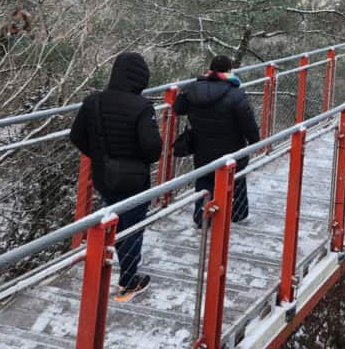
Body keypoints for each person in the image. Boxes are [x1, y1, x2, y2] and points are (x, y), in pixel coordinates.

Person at [69, 51, 162, 301]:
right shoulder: (142, 107)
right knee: (132, 227)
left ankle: (109, 266)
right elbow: (153, 150)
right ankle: (129, 280)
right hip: (134, 178)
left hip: (104, 175)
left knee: (114, 218)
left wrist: (99, 155)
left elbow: (76, 136)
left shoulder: (93, 101)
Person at [174, 55, 260, 227]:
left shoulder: (193, 89)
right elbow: (248, 123)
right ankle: (238, 214)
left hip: (202, 147)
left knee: (205, 180)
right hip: (232, 149)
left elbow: (178, 108)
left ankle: (202, 218)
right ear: (229, 71)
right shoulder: (236, 94)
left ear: (210, 70)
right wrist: (254, 141)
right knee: (236, 179)